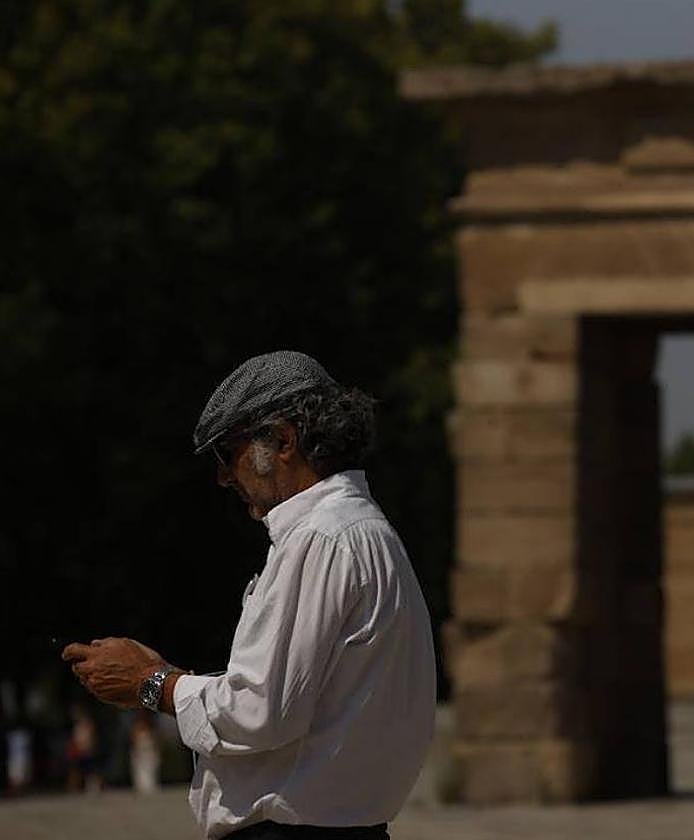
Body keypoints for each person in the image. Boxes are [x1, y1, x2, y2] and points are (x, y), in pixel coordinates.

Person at [62, 351, 437, 839]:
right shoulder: (361, 531)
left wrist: (153, 684)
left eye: (227, 453)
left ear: (283, 440)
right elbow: (295, 698)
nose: (223, 477)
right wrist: (173, 678)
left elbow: (261, 710)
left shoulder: (321, 538)